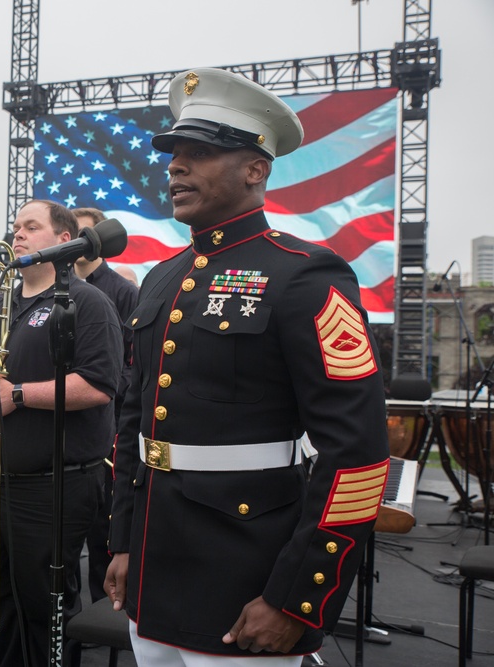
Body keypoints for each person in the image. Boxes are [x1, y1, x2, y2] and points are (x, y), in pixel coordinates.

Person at [104, 68, 390, 665]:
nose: (176, 167)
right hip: (153, 574)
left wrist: (296, 600)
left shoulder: (304, 274)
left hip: (247, 581)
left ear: (256, 168)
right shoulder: (162, 277)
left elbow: (357, 456)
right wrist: (125, 544)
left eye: (200, 153)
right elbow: (138, 424)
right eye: (174, 154)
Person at [0, 199, 122, 666]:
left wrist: (18, 394)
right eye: (14, 226)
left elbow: (100, 384)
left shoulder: (86, 301)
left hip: (51, 486)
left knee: (45, 607)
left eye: (31, 226)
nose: (17, 234)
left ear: (64, 241)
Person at [71, 207, 138, 605]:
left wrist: (97, 389)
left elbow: (134, 364)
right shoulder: (54, 288)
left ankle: (103, 614)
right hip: (62, 430)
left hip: (108, 429)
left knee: (102, 534)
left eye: (84, 234)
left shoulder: (122, 291)